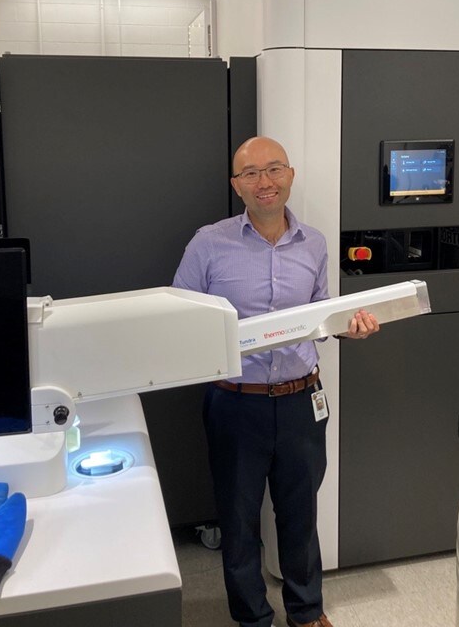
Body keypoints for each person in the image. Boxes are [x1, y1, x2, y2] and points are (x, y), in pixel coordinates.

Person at [173, 136, 379, 627]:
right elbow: (178, 317)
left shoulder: (316, 244)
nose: (264, 182)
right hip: (234, 403)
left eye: (273, 170)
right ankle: (252, 619)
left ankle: (307, 613)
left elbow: (322, 319)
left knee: (300, 516)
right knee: (240, 523)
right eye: (250, 173)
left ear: (290, 176)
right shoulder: (208, 243)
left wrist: (351, 328)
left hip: (300, 401)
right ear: (236, 186)